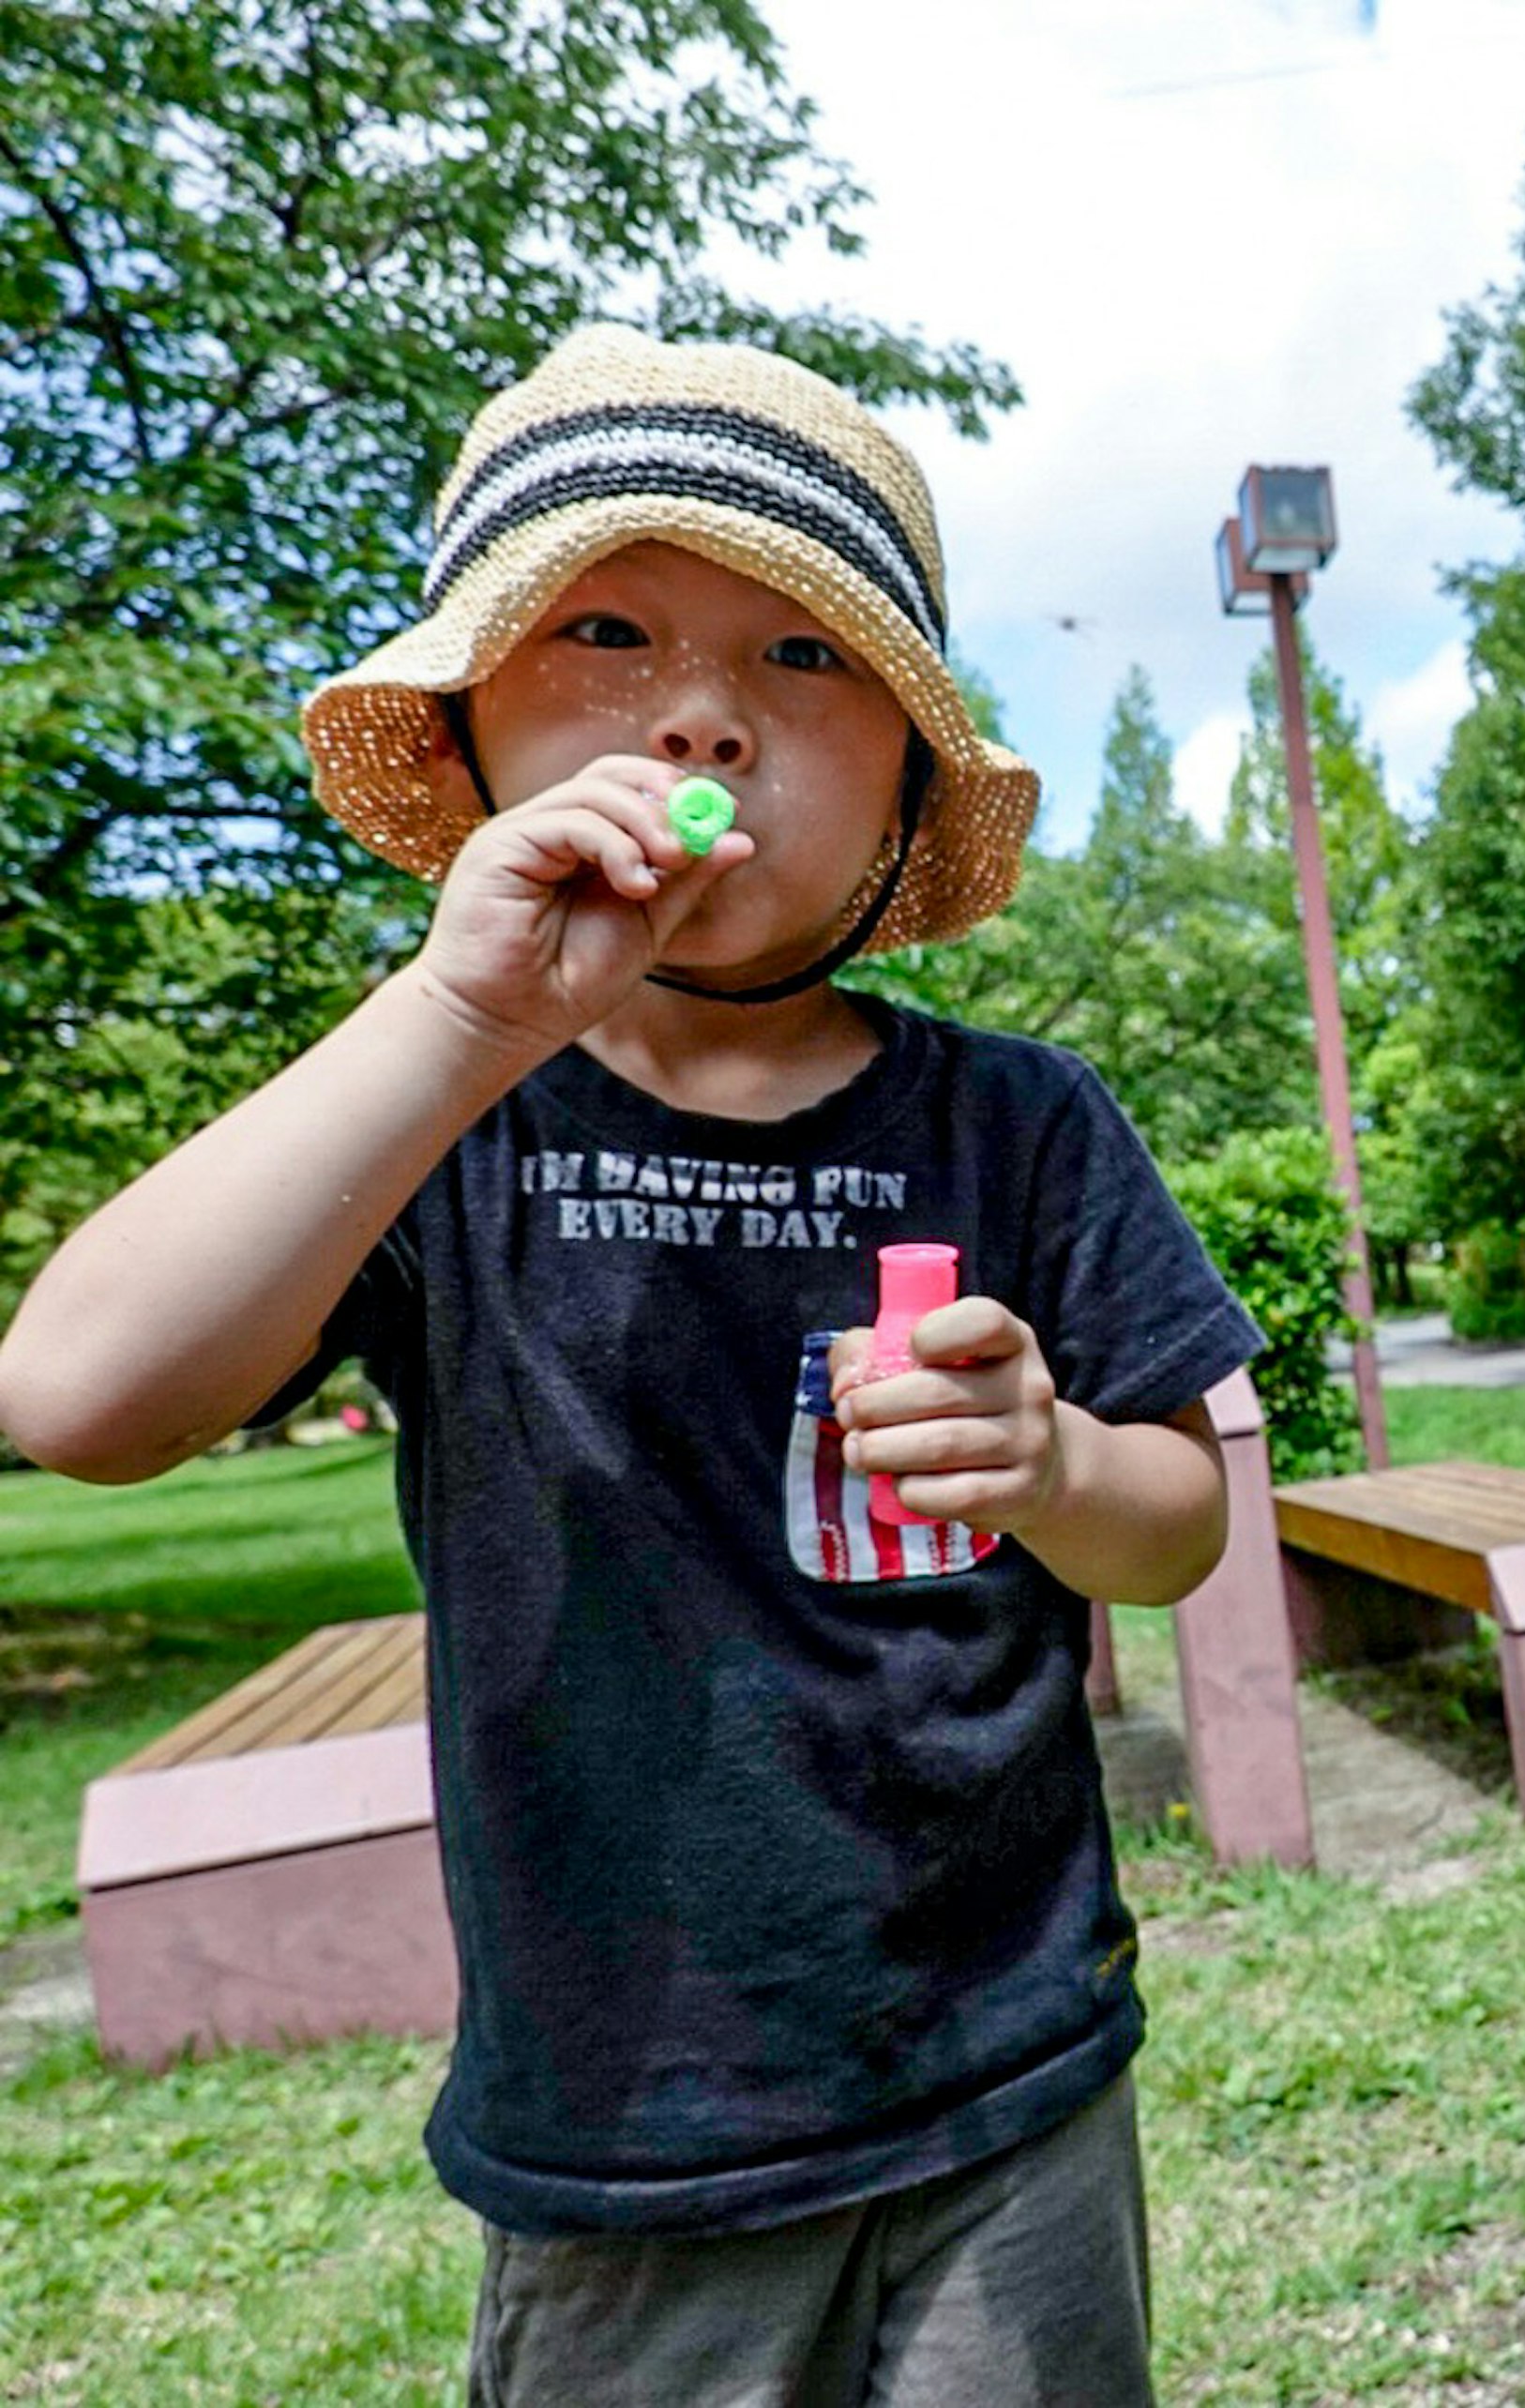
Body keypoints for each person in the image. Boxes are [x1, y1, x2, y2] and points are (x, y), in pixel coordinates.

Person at [0, 327, 1261, 2406]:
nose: (699, 712)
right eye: (603, 631)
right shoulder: (428, 1129)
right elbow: (81, 1397)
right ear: (471, 733)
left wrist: (1045, 1461)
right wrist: (459, 1022)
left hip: (1010, 2073)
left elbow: (1182, 1527)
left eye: (804, 659)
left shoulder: (1024, 1124)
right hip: (625, 2133)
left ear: (909, 779)